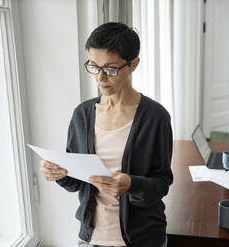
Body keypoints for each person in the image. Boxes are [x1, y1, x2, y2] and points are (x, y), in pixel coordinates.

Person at [40, 22, 173, 247]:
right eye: (94, 67)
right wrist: (58, 173)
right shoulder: (82, 114)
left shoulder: (156, 117)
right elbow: (75, 183)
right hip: (90, 238)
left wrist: (131, 184)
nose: (101, 78)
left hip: (143, 238)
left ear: (133, 64)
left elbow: (161, 184)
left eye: (111, 69)